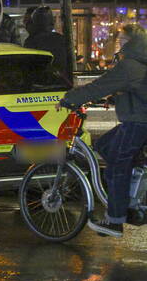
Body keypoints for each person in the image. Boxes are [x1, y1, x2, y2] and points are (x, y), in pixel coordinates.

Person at [59, 24, 147, 238]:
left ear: (131, 42)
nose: (119, 45)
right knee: (103, 145)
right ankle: (133, 198)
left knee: (117, 164)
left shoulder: (129, 65)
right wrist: (113, 98)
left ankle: (115, 220)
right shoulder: (139, 63)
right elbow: (136, 91)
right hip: (138, 121)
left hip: (138, 124)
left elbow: (99, 85)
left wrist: (69, 99)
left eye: (122, 41)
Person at [24, 6, 72, 86]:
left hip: (37, 86)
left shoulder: (30, 42)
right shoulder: (61, 39)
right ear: (51, 23)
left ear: (34, 23)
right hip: (61, 85)